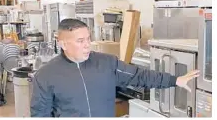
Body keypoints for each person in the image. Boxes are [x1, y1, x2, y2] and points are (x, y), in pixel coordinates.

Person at [30, 18, 199, 117]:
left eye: (88, 39)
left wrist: (175, 80)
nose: (87, 45)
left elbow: (140, 76)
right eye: (80, 41)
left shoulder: (107, 63)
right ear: (63, 44)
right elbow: (40, 114)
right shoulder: (46, 75)